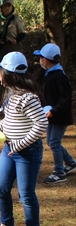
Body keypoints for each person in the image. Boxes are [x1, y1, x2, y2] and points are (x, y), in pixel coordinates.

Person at [0, 52, 47, 226]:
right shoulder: (11, 96)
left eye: (0, 71)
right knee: (0, 188)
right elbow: (10, 122)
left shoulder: (29, 99)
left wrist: (20, 144)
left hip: (27, 152)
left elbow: (41, 124)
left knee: (26, 193)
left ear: (8, 74)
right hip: (9, 149)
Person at [33, 43, 76, 184]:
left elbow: (66, 97)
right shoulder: (51, 74)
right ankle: (70, 162)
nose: (40, 60)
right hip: (53, 115)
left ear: (46, 59)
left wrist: (54, 110)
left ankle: (59, 172)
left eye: (41, 57)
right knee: (51, 141)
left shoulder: (58, 76)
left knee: (54, 142)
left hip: (59, 116)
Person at [0, 0, 26, 65]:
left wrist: (16, 40)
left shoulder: (16, 19)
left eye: (9, 6)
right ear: (2, 8)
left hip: (13, 46)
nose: (7, 8)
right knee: (2, 66)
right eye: (5, 6)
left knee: (14, 65)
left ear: (12, 8)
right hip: (1, 47)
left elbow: (22, 33)